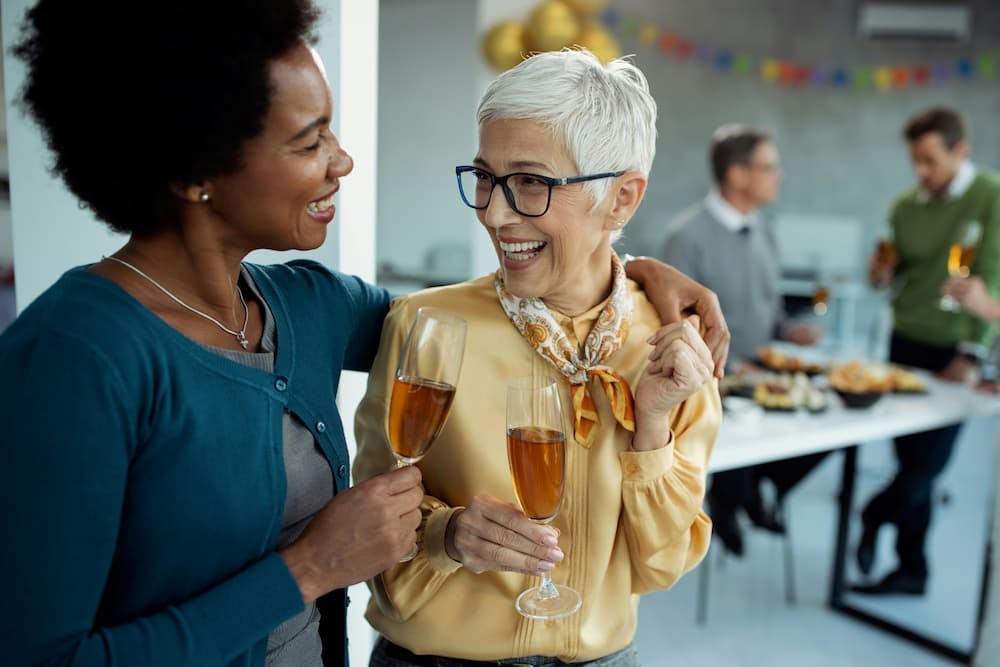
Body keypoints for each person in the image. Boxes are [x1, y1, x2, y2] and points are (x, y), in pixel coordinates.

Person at [1, 3, 732, 665]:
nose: (343, 161)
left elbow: (494, 317)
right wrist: (312, 567)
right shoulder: (71, 358)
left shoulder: (304, 307)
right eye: (310, 140)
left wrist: (633, 274)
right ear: (199, 169)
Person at [353, 49, 720, 666]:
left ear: (623, 199)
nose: (493, 214)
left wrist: (651, 430)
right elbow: (368, 529)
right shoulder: (425, 325)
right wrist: (445, 535)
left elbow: (660, 566)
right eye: (486, 178)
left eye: (531, 182)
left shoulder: (673, 346)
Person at [659, 125, 825, 557]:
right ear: (737, 174)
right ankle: (732, 500)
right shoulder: (687, 235)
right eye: (769, 167)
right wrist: (731, 368)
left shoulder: (765, 229)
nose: (778, 176)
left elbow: (769, 310)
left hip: (767, 372)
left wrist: (789, 332)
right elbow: (673, 326)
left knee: (826, 432)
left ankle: (755, 489)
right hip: (716, 384)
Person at [856, 107, 1000, 596]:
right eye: (915, 160)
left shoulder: (990, 196)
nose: (921, 170)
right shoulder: (904, 206)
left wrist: (972, 350)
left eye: (930, 160)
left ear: (961, 151)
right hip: (905, 342)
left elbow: (993, 278)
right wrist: (879, 276)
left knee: (926, 467)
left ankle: (874, 515)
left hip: (954, 351)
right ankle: (912, 569)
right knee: (910, 461)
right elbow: (895, 275)